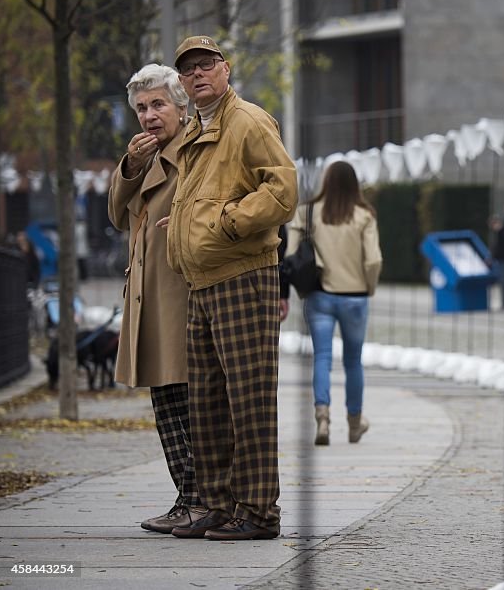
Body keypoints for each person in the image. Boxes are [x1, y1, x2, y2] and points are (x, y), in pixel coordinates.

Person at [161, 36, 297, 541]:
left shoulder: (248, 120)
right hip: (202, 281)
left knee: (249, 401)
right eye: (188, 70)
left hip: (243, 275)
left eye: (205, 65)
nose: (197, 75)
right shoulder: (199, 127)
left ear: (225, 68)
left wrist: (229, 223)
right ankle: (219, 505)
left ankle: (259, 513)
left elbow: (283, 189)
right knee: (208, 403)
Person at [107, 64, 205, 534]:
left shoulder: (195, 150)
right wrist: (129, 166)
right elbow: (117, 216)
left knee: (187, 399)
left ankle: (199, 499)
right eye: (142, 108)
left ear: (180, 106)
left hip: (179, 294)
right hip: (148, 295)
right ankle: (186, 498)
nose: (149, 116)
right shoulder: (143, 155)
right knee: (165, 400)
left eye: (158, 105)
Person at [287, 161, 382, 446]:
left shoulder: (308, 212)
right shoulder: (364, 215)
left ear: (326, 182)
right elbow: (374, 260)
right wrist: (369, 287)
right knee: (353, 361)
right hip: (355, 296)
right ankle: (354, 422)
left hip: (320, 296)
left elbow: (292, 254)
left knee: (323, 358)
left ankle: (322, 417)